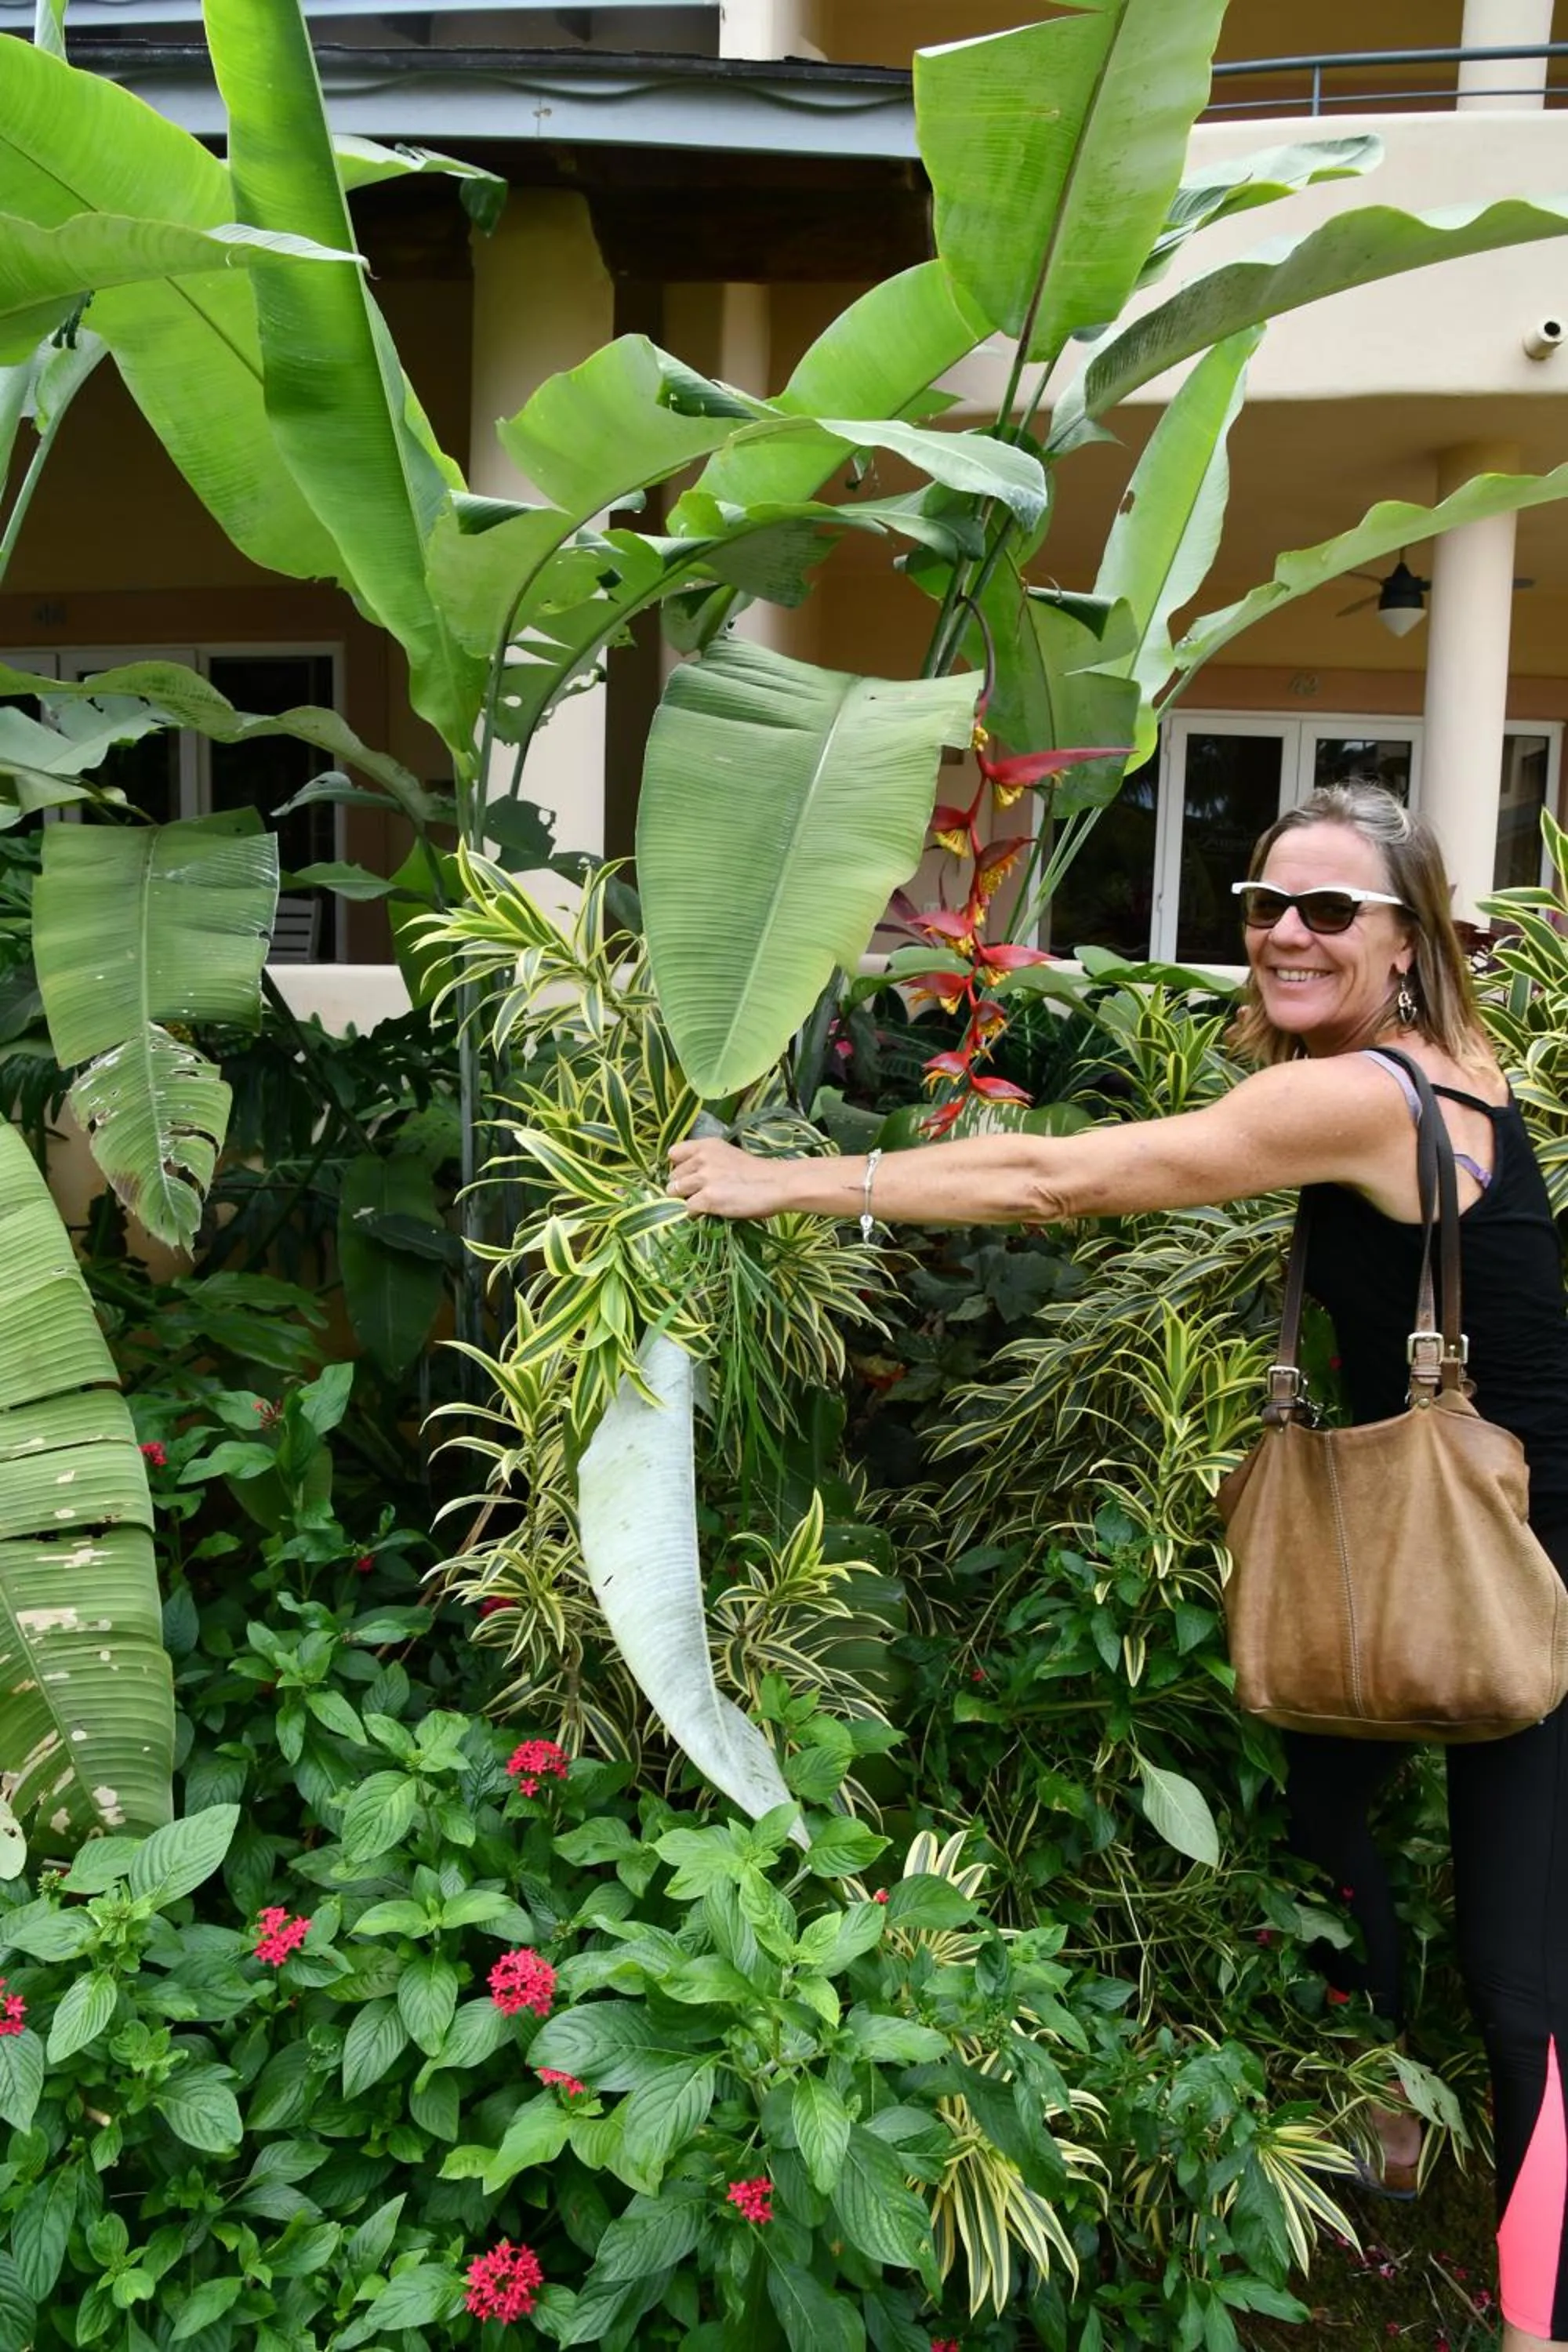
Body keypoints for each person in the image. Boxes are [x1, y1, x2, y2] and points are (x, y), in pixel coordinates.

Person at [669, 782, 1568, 2352]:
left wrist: (785, 1181)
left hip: (1526, 1550)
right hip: (1431, 1513)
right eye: (1265, 905)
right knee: (1322, 1804)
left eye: (1330, 910)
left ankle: (1541, 2315)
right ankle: (1387, 2102)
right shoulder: (1437, 1061)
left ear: (1405, 941)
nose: (1285, 933)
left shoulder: (1363, 1096)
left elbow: (1054, 1182)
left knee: (1522, 1971)